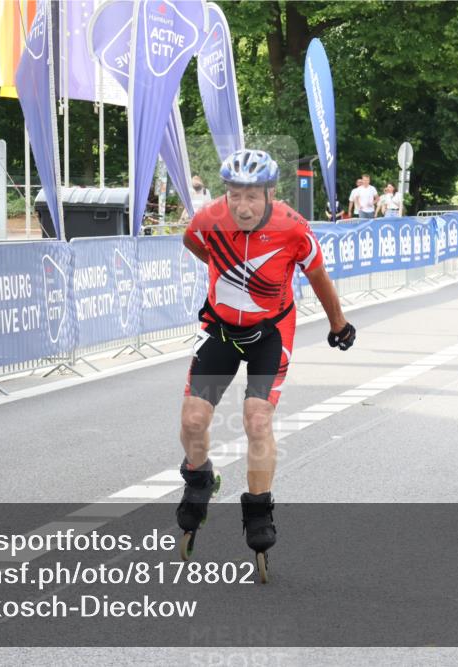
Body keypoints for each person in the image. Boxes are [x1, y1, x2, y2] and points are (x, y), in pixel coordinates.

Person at [179, 149, 355, 578]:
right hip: (220, 329)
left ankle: (258, 511)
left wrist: (339, 324)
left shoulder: (293, 228)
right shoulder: (208, 219)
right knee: (192, 421)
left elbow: (318, 278)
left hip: (269, 334)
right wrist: (228, 278)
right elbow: (193, 244)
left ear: (270, 194)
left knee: (256, 420)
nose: (242, 205)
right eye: (235, 194)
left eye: (252, 196)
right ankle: (200, 479)